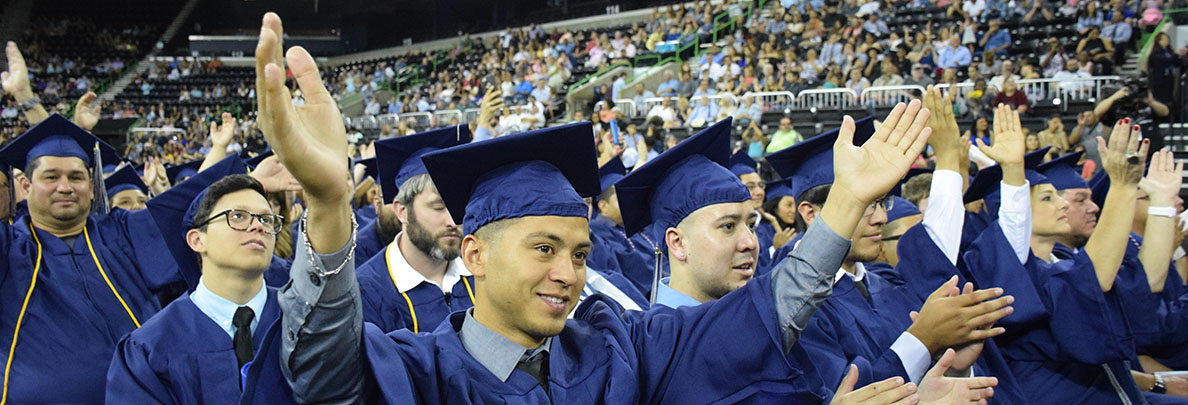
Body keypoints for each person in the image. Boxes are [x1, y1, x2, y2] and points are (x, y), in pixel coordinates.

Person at [243, 21, 993, 397]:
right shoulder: (415, 371)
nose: (569, 271)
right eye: (544, 247)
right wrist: (331, 203)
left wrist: (842, 210)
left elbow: (759, 316)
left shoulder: (616, 349)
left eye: (578, 250)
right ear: (473, 255)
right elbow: (318, 371)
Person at [767, 105, 1015, 401]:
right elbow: (841, 395)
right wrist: (923, 339)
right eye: (865, 203)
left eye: (882, 202)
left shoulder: (889, 285)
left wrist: (953, 365)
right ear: (809, 213)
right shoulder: (789, 307)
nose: (881, 218)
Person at [0, 114, 233, 403]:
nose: (65, 187)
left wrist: (244, 169)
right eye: (51, 177)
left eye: (76, 177)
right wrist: (26, 99)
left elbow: (187, 208)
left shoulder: (123, 233)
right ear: (25, 186)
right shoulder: (9, 248)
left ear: (92, 184)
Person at [107, 173, 288, 403]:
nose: (257, 226)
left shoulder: (303, 321)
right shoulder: (149, 347)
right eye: (238, 216)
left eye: (266, 219)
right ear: (197, 240)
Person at [356, 124, 474, 334]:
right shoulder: (367, 291)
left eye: (459, 206)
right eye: (438, 207)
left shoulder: (481, 272)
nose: (453, 221)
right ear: (402, 211)